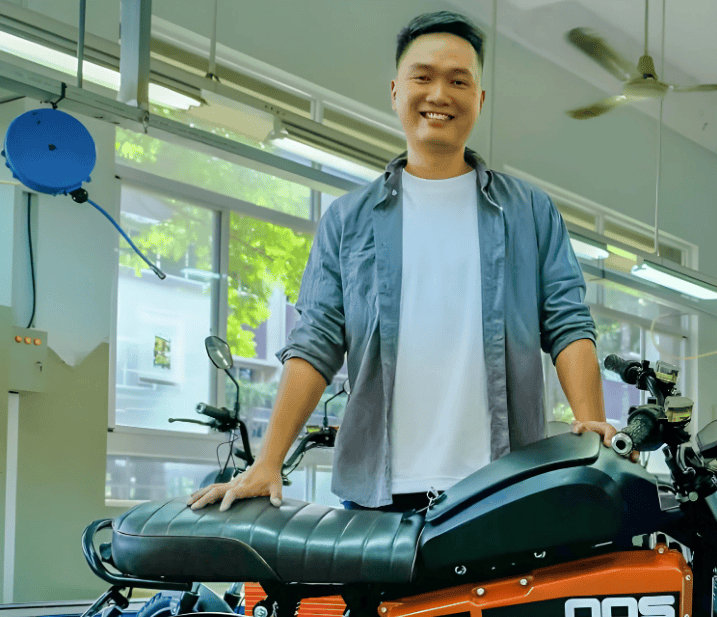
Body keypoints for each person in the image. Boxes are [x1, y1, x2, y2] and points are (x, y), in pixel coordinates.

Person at [189, 11, 618, 513]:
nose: (440, 94)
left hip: (503, 487)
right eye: (423, 77)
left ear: (478, 101)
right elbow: (317, 342)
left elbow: (567, 323)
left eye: (459, 81)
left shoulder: (529, 212)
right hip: (378, 495)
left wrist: (591, 426)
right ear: (396, 91)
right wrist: (268, 461)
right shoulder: (349, 220)